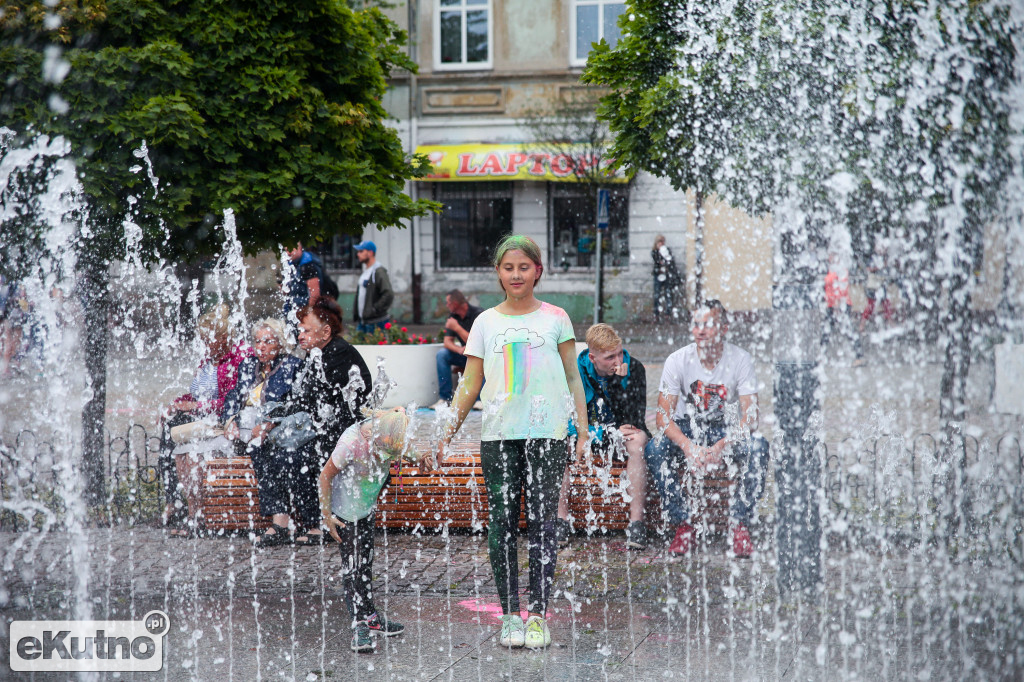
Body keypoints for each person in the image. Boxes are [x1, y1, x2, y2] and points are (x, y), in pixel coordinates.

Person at [424, 235, 588, 650]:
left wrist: (582, 429)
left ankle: (538, 615)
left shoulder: (556, 318)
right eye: (508, 267)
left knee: (543, 523)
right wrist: (446, 433)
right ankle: (510, 614)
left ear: (538, 271)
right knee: (502, 522)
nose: (516, 274)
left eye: (524, 267)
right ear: (498, 272)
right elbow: (471, 384)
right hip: (499, 436)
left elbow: (573, 377)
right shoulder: (485, 323)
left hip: (547, 434)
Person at [644, 300, 769, 558]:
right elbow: (663, 417)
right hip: (686, 428)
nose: (700, 330)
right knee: (655, 448)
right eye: (696, 324)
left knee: (759, 446)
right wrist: (689, 447)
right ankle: (683, 523)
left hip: (725, 428)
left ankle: (739, 524)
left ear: (723, 328)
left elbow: (751, 417)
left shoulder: (740, 359)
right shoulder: (677, 360)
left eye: (708, 324)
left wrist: (722, 445)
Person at [252, 299, 372, 547]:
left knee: (299, 455)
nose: (300, 334)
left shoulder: (338, 353)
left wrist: (274, 423)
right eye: (299, 329)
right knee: (262, 448)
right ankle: (281, 522)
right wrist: (271, 421)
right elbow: (301, 401)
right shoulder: (316, 354)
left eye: (306, 330)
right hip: (324, 429)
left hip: (345, 433)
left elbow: (313, 404)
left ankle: (317, 523)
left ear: (326, 331)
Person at [319, 407, 412, 652]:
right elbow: (325, 476)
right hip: (345, 513)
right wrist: (327, 516)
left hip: (365, 508)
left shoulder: (390, 431)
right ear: (375, 438)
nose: (385, 458)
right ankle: (358, 625)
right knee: (353, 567)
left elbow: (405, 449)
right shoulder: (350, 444)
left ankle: (371, 618)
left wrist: (421, 456)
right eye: (383, 452)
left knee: (365, 563)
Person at [555, 323, 651, 549]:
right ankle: (561, 520)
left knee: (638, 440)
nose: (618, 362)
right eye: (610, 358)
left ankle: (636, 523)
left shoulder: (633, 368)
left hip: (618, 433)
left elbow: (633, 421)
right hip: (585, 434)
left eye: (619, 353)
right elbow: (565, 419)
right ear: (593, 357)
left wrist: (618, 383)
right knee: (555, 441)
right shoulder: (573, 371)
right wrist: (599, 433)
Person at [159, 305, 252, 535]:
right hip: (202, 420)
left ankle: (196, 517)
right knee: (172, 435)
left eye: (207, 339)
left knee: (189, 450)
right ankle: (180, 505)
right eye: (202, 339)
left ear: (223, 337)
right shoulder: (207, 360)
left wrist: (197, 406)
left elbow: (232, 401)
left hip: (222, 422)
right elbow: (196, 394)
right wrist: (178, 403)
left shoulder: (239, 357)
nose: (204, 344)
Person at [221, 319, 303, 532]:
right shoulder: (248, 365)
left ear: (280, 343)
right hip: (245, 430)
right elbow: (233, 396)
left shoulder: (292, 366)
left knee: (264, 449)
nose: (261, 347)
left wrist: (268, 425)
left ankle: (279, 522)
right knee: (256, 445)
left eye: (267, 341)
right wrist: (230, 421)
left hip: (276, 431)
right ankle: (279, 521)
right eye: (257, 342)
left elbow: (294, 403)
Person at [431, 289, 483, 410]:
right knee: (442, 354)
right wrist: (459, 349)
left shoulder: (478, 314)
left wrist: (457, 328)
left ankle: (480, 400)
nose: (447, 306)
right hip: (464, 354)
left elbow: (477, 342)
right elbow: (447, 342)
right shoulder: (453, 316)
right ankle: (445, 399)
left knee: (482, 357)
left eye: (448, 303)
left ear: (455, 303)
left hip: (479, 354)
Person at [282, 243, 335, 326]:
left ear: (300, 248)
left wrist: (308, 315)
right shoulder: (292, 264)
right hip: (295, 312)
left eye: (291, 249)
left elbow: (315, 294)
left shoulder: (308, 265)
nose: (288, 253)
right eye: (286, 251)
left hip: (304, 313)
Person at [352, 240, 393, 333]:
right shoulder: (367, 271)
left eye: (361, 251)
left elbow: (388, 294)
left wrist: (375, 309)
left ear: (370, 253)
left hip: (375, 323)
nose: (358, 254)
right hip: (364, 323)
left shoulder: (378, 271)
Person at [651, 235, 682, 323]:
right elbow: (657, 261)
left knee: (668, 294)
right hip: (658, 275)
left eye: (663, 241)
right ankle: (656, 315)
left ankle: (667, 314)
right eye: (660, 241)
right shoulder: (655, 252)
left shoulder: (667, 250)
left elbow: (670, 260)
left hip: (667, 275)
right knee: (657, 295)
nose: (662, 243)